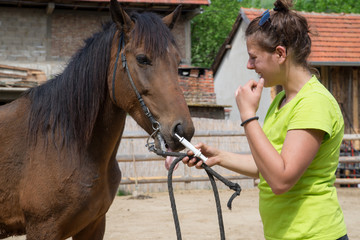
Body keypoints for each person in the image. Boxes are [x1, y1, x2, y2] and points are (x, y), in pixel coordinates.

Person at [182, 0, 348, 239]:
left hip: (315, 234)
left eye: (254, 58)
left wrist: (248, 116)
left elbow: (280, 179)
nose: (249, 66)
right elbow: (268, 167)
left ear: (280, 53)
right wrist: (219, 157)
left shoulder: (314, 103)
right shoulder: (281, 101)